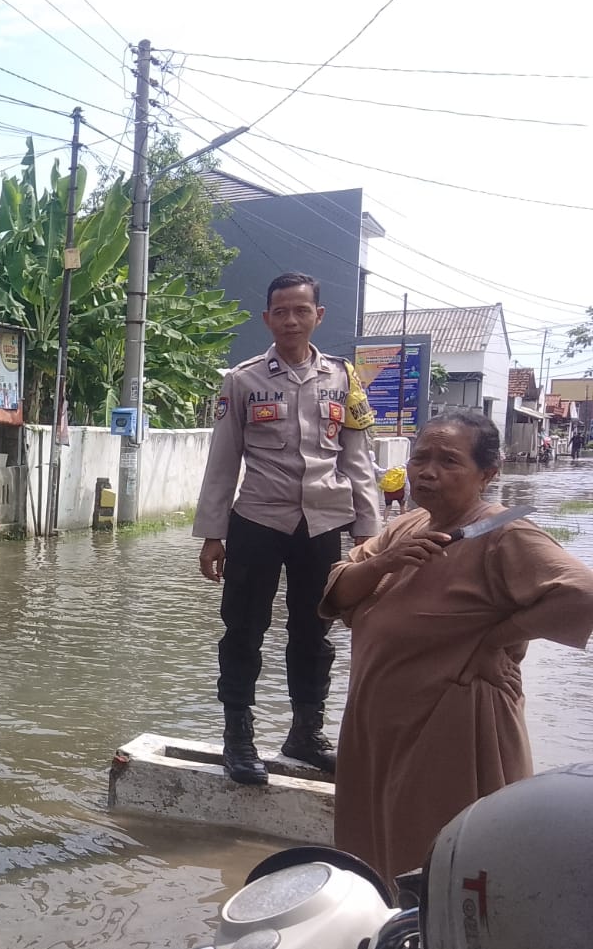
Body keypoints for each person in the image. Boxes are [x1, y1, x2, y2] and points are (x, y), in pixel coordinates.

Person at [322, 411, 593, 884]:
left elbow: (582, 593)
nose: (428, 472)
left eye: (448, 461)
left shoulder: (504, 534)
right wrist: (382, 563)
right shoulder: (409, 526)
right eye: (420, 458)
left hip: (451, 725)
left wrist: (496, 639)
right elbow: (338, 591)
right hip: (378, 722)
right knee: (373, 852)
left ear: (487, 474)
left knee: (443, 861)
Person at [193, 271, 382, 785]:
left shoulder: (343, 378)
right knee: (243, 630)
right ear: (267, 319)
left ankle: (305, 734)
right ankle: (238, 738)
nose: (291, 320)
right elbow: (223, 461)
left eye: (301, 311)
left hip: (323, 524)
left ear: (318, 315)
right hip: (258, 520)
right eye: (281, 312)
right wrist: (213, 534)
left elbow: (357, 457)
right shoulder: (243, 380)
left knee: (314, 631)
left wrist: (368, 530)